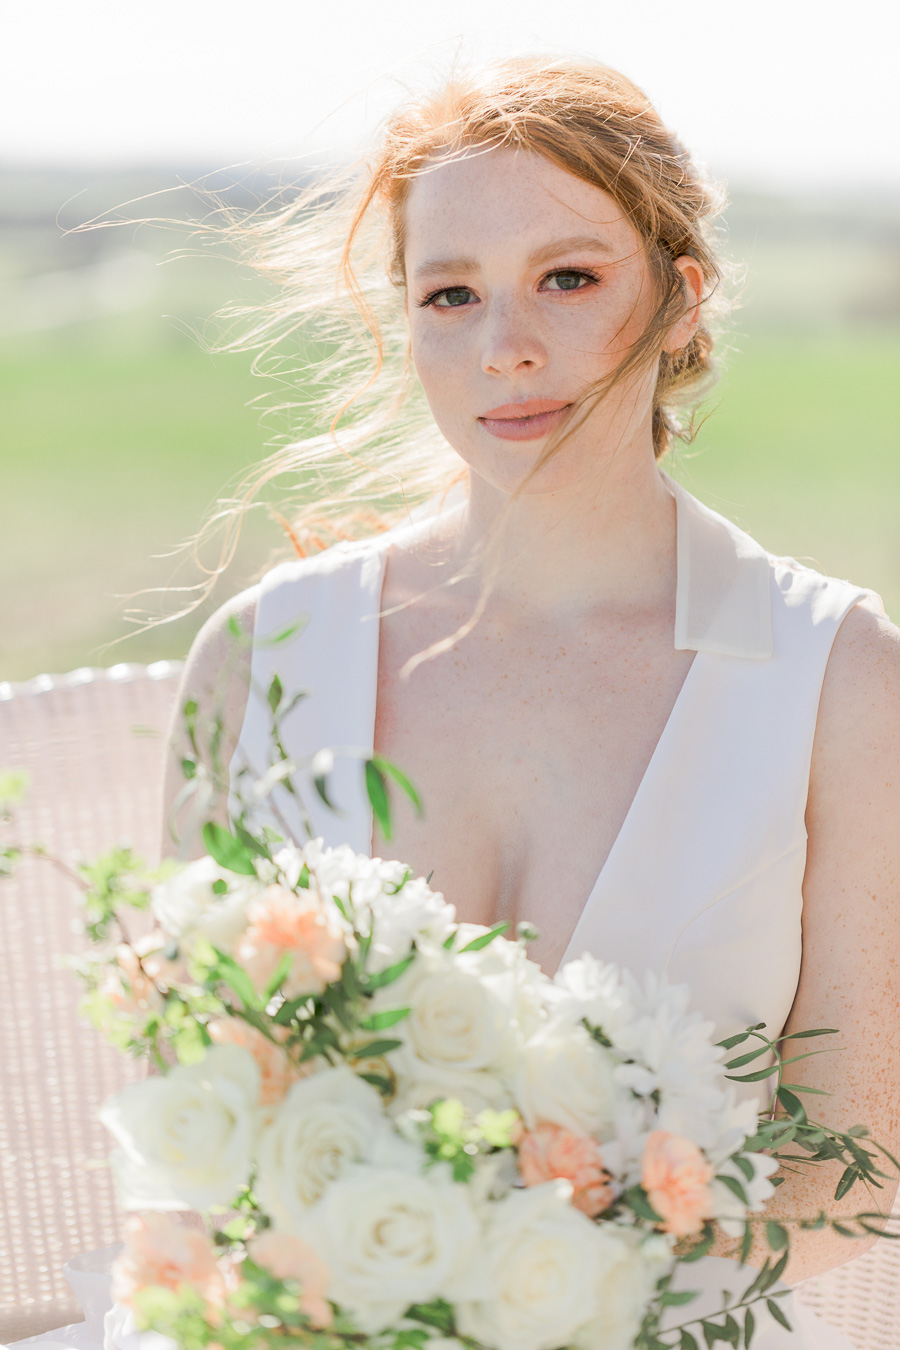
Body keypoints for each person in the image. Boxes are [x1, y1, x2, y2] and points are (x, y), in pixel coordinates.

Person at [158, 57, 899, 1348]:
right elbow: (187, 1104)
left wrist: (527, 1280)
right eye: (452, 293)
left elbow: (863, 1160)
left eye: (569, 276)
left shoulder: (840, 677)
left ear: (681, 300)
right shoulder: (254, 660)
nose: (506, 344)